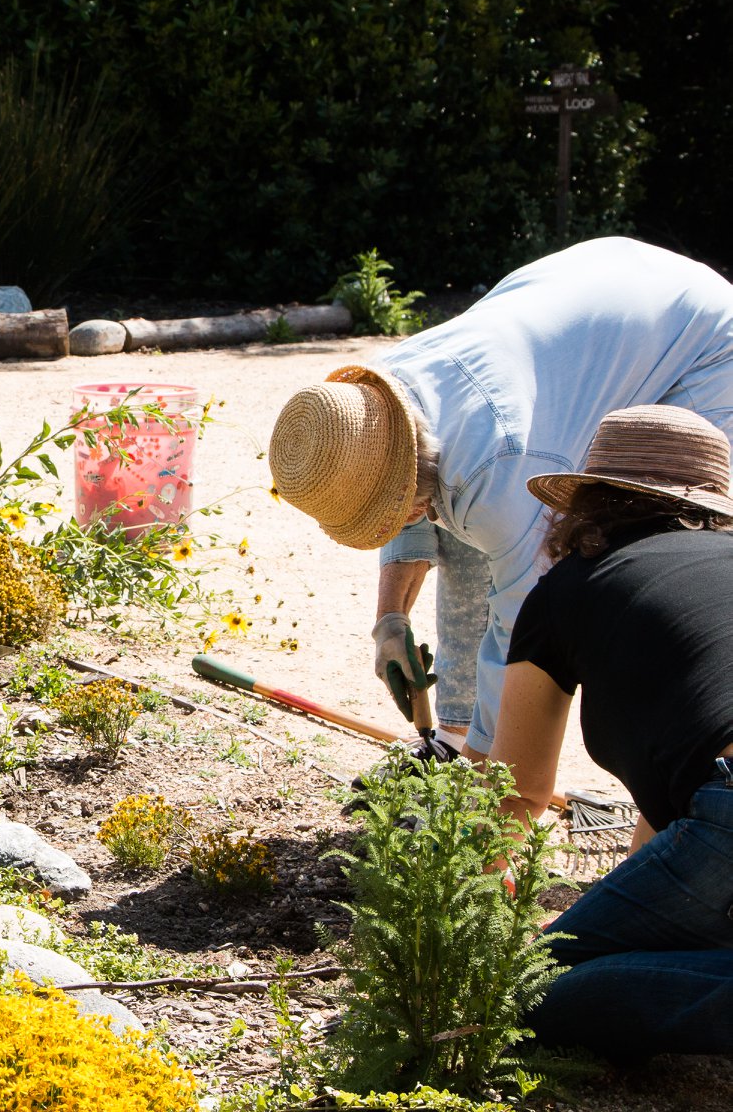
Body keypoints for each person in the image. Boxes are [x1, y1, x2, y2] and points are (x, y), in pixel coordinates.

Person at [268, 237, 733, 758]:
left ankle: (697, 765)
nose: (408, 517)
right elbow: (401, 486)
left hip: (705, 342)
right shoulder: (387, 397)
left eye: (398, 511)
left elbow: (521, 631)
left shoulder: (500, 463)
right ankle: (454, 736)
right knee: (469, 516)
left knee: (651, 539)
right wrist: (389, 621)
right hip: (614, 281)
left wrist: (489, 784)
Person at [488, 404, 733, 1057]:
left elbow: (518, 793)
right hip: (719, 811)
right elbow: (676, 806)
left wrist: (470, 918)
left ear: (585, 505)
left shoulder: (570, 590)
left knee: (526, 996)